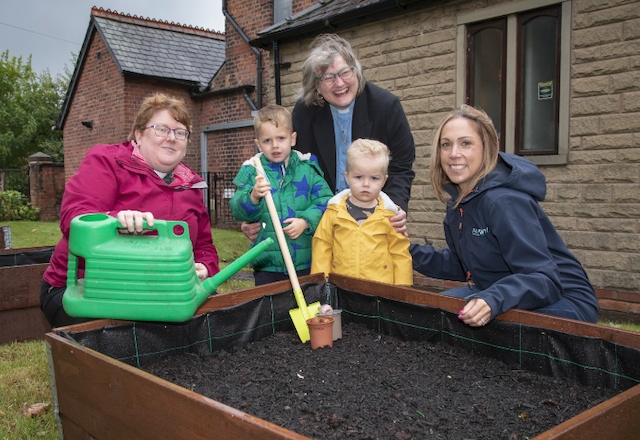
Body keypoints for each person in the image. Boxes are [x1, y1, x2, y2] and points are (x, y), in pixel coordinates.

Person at [40, 92, 220, 327]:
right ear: (139, 135)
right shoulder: (106, 160)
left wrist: (205, 268)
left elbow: (204, 246)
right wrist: (114, 221)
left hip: (155, 292)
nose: (172, 138)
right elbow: (76, 217)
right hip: (84, 288)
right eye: (161, 129)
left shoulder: (190, 186)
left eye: (180, 132)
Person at [410, 104, 599, 327]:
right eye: (446, 144)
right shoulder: (459, 202)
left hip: (564, 300)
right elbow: (463, 264)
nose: (453, 154)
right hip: (500, 291)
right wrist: (403, 249)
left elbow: (545, 281)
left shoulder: (503, 201)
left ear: (487, 148)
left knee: (457, 322)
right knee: (431, 311)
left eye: (466, 143)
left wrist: (493, 298)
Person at [242, 33, 415, 240]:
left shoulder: (386, 107)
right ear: (316, 85)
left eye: (344, 73)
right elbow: (286, 166)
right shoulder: (304, 113)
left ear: (356, 72)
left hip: (373, 216)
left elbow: (402, 166)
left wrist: (395, 206)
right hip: (321, 219)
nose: (339, 83)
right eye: (328, 77)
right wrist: (255, 213)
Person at [229, 104, 333, 286]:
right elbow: (238, 209)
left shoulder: (306, 168)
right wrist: (253, 197)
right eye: (267, 140)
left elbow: (327, 202)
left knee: (307, 308)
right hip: (268, 265)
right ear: (258, 144)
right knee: (271, 312)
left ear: (292, 139)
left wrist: (306, 221)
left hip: (305, 261)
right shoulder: (252, 171)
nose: (275, 145)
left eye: (281, 138)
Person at [312, 139, 413, 285]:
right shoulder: (334, 211)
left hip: (380, 290)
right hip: (342, 287)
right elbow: (322, 246)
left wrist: (402, 290)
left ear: (384, 180)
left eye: (374, 178)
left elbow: (400, 254)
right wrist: (321, 283)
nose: (366, 184)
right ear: (346, 177)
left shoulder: (390, 215)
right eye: (359, 177)